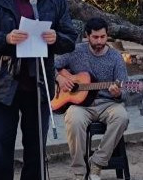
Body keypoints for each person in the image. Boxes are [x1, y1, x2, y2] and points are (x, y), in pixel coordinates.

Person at [0, 0, 77, 180]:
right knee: (0, 147)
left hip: (38, 85)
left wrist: (57, 38)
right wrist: (6, 38)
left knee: (36, 149)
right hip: (5, 83)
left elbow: (70, 38)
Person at [54, 17, 129, 180]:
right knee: (73, 120)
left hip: (107, 104)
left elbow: (126, 90)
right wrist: (59, 78)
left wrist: (119, 93)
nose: (99, 41)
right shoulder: (75, 50)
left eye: (103, 37)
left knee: (122, 117)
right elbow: (50, 65)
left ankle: (97, 163)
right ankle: (79, 172)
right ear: (87, 36)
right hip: (80, 105)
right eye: (95, 37)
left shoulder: (115, 57)